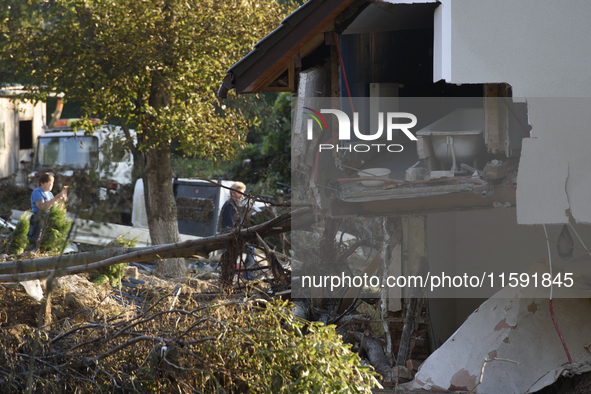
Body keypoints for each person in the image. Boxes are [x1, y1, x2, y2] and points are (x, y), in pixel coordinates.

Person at [219, 181, 255, 280]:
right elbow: (228, 227)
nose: (241, 196)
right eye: (240, 193)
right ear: (233, 193)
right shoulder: (229, 206)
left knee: (230, 261)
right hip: (227, 239)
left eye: (243, 193)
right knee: (251, 249)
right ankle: (248, 277)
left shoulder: (233, 206)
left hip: (231, 238)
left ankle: (232, 279)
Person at [27, 173, 68, 248]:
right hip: (39, 221)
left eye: (52, 183)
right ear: (42, 183)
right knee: (36, 242)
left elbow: (57, 210)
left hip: (48, 220)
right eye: (49, 183)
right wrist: (55, 198)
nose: (51, 185)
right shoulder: (37, 192)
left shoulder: (50, 194)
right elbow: (42, 206)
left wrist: (62, 201)